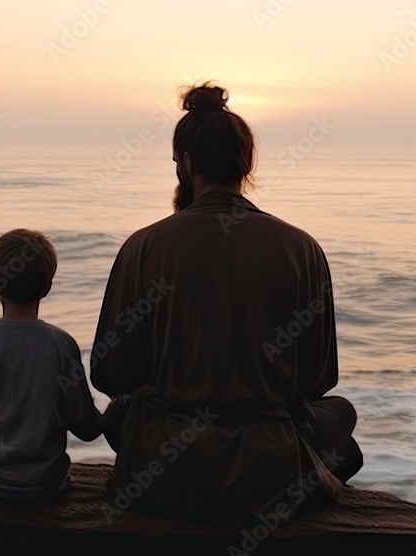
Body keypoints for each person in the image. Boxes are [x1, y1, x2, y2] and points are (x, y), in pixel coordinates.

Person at [92, 82, 363, 524]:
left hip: (164, 465)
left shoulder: (144, 246)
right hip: (271, 463)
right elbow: (318, 379)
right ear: (246, 163)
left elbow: (109, 372)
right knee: (341, 415)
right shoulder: (301, 248)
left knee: (119, 413)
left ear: (186, 163)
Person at [0, 228, 103, 500]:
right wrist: (118, 411)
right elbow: (85, 427)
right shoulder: (61, 344)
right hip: (44, 484)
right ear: (48, 286)